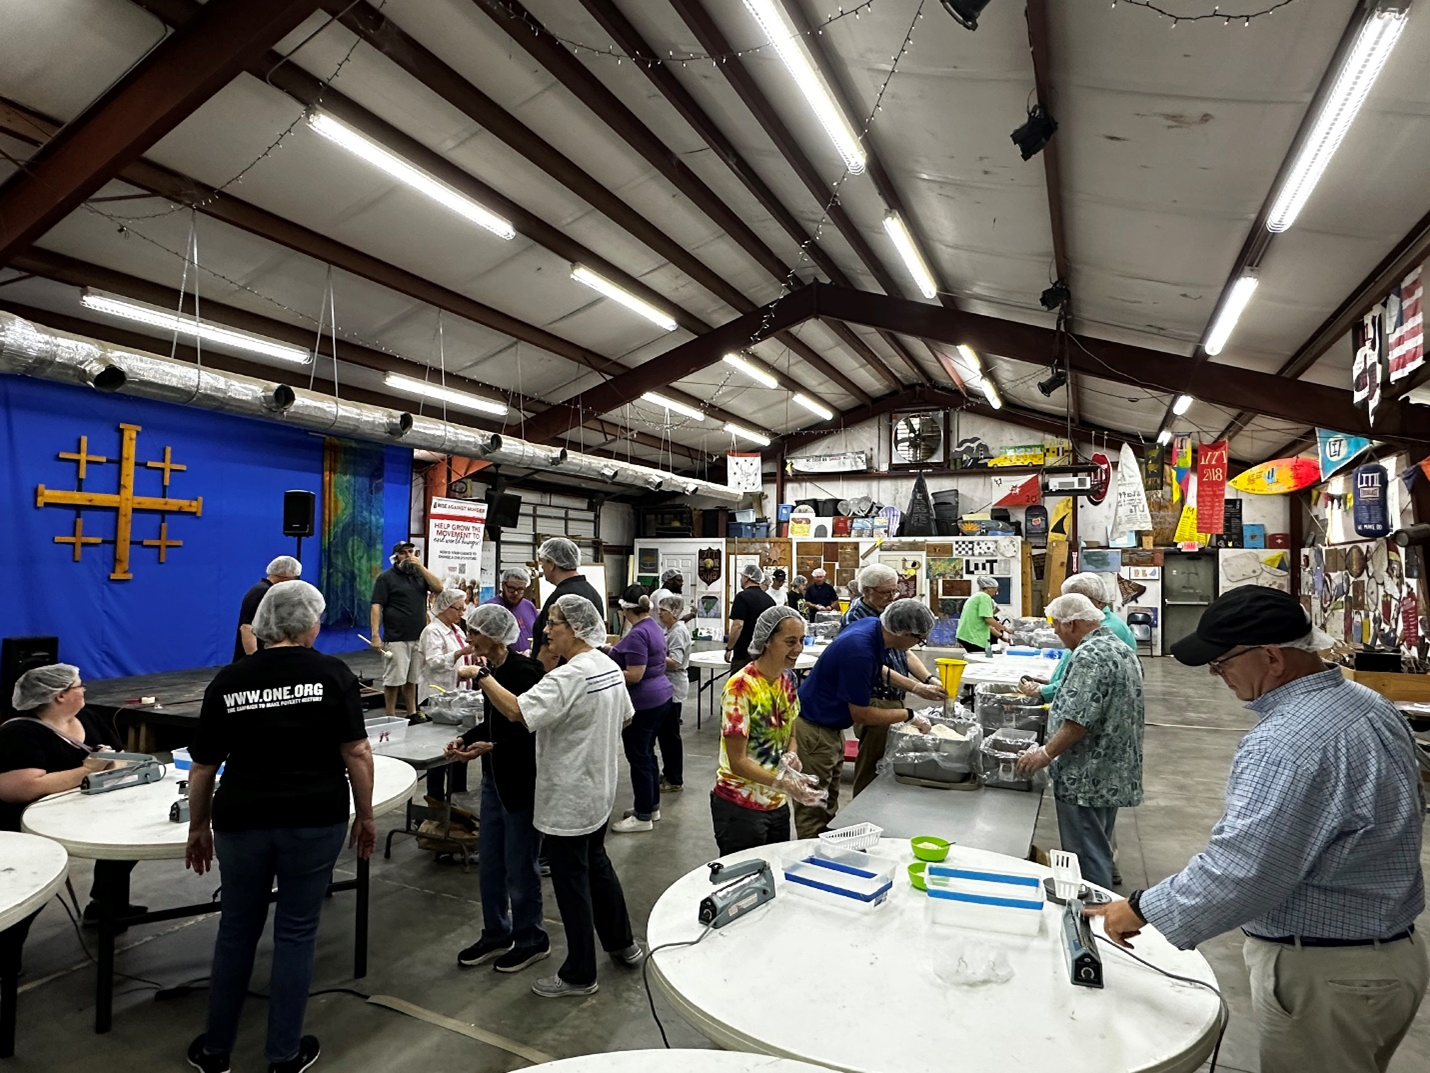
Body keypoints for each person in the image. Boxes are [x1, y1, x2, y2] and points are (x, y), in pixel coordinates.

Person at [1087, 586, 1427, 1073]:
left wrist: (1139, 910)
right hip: (1392, 961)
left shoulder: (1285, 742)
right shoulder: (1368, 703)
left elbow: (1242, 872)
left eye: (1222, 662)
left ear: (1271, 656)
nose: (1216, 675)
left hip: (1326, 977)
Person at [184, 581, 375, 1073]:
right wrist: (367, 814)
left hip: (242, 819)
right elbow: (356, 751)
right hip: (313, 819)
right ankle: (282, 1054)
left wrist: (198, 826)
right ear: (308, 623)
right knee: (295, 932)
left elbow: (203, 766)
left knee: (236, 930)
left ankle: (216, 1050)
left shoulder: (229, 680)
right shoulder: (332, 674)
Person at [472, 593, 642, 998]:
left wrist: (482, 677)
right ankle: (623, 943)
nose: (546, 631)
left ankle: (580, 972)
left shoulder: (569, 676)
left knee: (570, 882)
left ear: (577, 628)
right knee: (597, 867)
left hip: (569, 796)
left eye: (554, 624)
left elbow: (517, 711)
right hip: (598, 790)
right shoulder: (607, 665)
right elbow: (626, 717)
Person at [0, 664, 138, 947]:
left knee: (127, 840)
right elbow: (21, 788)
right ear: (59, 696)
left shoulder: (88, 718)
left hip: (84, 809)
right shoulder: (20, 733)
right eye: (79, 685)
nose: (84, 689)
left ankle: (105, 907)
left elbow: (122, 758)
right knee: (35, 881)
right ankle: (7, 948)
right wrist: (88, 771)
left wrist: (109, 764)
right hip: (26, 821)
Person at [444, 604, 548, 973]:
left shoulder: (526, 672)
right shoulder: (489, 672)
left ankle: (531, 937)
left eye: (474, 632)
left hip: (520, 781)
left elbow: (529, 727)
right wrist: (465, 738)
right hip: (493, 780)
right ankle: (496, 931)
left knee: (520, 866)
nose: (468, 638)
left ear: (495, 635)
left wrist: (493, 746)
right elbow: (491, 722)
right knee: (490, 863)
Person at [1015, 593, 1143, 891]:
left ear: (1071, 624)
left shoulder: (1089, 656)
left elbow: (1077, 722)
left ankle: (1092, 916)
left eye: (1057, 627)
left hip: (1087, 774)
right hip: (1113, 769)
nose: (1056, 634)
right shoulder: (1119, 648)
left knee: (1086, 855)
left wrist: (1044, 754)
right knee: (1099, 843)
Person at [792, 600, 935, 838]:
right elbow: (862, 714)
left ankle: (825, 849)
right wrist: (909, 715)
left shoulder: (872, 627)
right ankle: (809, 859)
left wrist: (918, 687)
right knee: (813, 806)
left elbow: (878, 668)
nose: (917, 645)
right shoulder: (859, 648)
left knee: (828, 799)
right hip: (815, 728)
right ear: (905, 633)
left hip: (830, 725)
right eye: (919, 640)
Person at [713, 606, 825, 855]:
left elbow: (791, 733)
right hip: (740, 805)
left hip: (776, 801)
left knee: (775, 870)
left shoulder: (787, 681)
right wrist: (784, 783)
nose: (798, 649)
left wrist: (791, 756)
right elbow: (738, 760)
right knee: (744, 878)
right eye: (789, 641)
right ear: (767, 641)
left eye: (800, 641)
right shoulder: (741, 687)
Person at [841, 564, 947, 795]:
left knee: (886, 763)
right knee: (871, 765)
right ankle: (861, 816)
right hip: (875, 699)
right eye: (886, 592)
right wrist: (917, 687)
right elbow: (876, 668)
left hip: (894, 697)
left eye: (894, 591)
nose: (891, 597)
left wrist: (929, 679)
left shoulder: (887, 614)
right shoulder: (858, 619)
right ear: (867, 591)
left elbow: (905, 652)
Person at [608, 586, 674, 834]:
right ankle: (651, 806)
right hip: (660, 697)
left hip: (644, 703)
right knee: (647, 754)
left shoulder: (636, 635)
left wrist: (609, 671)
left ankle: (643, 815)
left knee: (638, 757)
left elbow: (635, 674)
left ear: (625, 609)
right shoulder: (654, 627)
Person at [1020, 574, 1138, 703]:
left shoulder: (1103, 635)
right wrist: (1052, 682)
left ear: (1100, 602)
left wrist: (1044, 691)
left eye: (1078, 601)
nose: (1070, 606)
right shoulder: (1084, 633)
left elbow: (1083, 686)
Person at [417, 586, 480, 798]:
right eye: (458, 609)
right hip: (437, 696)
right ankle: (435, 798)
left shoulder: (457, 629)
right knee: (438, 753)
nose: (462, 613)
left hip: (456, 696)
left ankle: (457, 796)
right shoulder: (432, 631)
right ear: (445, 607)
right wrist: (460, 653)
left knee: (459, 747)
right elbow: (434, 663)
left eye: (464, 609)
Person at [370, 541, 444, 718]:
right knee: (394, 680)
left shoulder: (419, 575)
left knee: (412, 679)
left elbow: (438, 588)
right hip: (396, 637)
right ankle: (390, 715)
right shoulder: (386, 578)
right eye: (404, 553)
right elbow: (376, 606)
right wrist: (375, 635)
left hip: (418, 635)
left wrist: (421, 567)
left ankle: (411, 712)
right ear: (396, 557)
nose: (408, 556)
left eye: (411, 552)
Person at [530, 537, 607, 670]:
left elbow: (550, 651)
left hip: (561, 675)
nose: (542, 568)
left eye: (543, 563)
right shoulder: (592, 592)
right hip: (586, 670)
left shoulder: (561, 598)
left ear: (552, 564)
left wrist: (539, 679)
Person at [234, 555, 302, 660]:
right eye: (295, 578)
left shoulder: (264, 590)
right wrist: (254, 659)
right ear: (287, 575)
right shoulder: (263, 592)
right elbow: (246, 628)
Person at [656, 593, 691, 795]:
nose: (659, 614)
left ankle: (674, 778)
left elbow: (675, 661)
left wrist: (653, 654)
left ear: (674, 613)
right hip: (669, 684)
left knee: (670, 736)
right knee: (666, 734)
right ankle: (669, 772)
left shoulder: (678, 632)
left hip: (674, 685)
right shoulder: (670, 629)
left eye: (663, 611)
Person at [726, 564, 775, 669]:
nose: (741, 580)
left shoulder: (742, 597)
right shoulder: (770, 601)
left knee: (739, 684)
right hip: (762, 653)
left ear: (746, 578)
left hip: (744, 652)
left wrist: (729, 648)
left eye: (741, 577)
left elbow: (738, 625)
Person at [486, 566, 538, 655]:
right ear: (503, 585)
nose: (516, 593)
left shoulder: (529, 606)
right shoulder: (491, 608)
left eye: (520, 589)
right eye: (511, 588)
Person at [956, 575, 1009, 652]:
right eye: (995, 590)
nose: (995, 593)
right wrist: (1006, 629)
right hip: (973, 637)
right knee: (980, 658)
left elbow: (987, 625)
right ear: (989, 588)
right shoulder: (984, 597)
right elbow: (988, 619)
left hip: (965, 636)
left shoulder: (976, 596)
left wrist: (1001, 636)